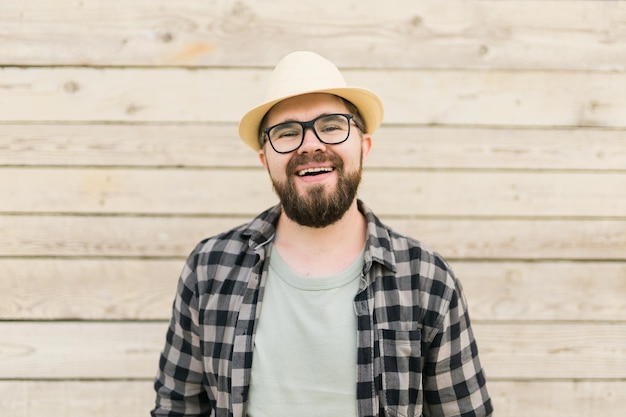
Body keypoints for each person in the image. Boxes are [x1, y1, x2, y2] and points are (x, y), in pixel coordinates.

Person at [151, 51, 493, 417]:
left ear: (364, 146)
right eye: (286, 133)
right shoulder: (209, 269)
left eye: (331, 126)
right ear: (266, 159)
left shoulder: (426, 280)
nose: (310, 145)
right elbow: (177, 408)